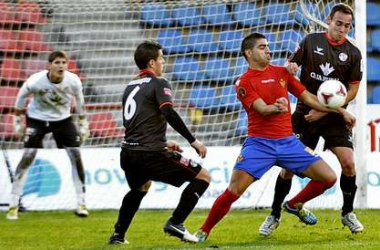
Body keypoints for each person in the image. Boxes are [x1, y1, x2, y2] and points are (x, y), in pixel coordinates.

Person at [193, 32, 356, 243]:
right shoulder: (243, 82)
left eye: (268, 46)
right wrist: (275, 107)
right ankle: (203, 231)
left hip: (288, 142)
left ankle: (293, 204)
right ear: (249, 53)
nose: (268, 50)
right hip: (259, 145)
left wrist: (340, 111)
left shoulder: (282, 73)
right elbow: (262, 109)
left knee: (328, 177)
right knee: (234, 190)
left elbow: (310, 99)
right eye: (262, 47)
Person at [259, 3, 364, 236]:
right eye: (339, 24)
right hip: (305, 113)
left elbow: (353, 89)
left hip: (334, 115)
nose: (342, 30)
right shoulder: (310, 41)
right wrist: (292, 66)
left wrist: (327, 109)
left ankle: (348, 213)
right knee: (287, 168)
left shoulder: (354, 53)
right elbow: (291, 64)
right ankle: (274, 214)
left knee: (348, 162)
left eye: (347, 26)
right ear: (329, 20)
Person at [108, 41, 211, 245]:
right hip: (150, 154)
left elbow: (139, 121)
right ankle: (176, 223)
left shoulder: (129, 86)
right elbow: (168, 111)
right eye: (162, 58)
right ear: (152, 62)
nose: (164, 62)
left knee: (141, 187)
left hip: (128, 153)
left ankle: (118, 236)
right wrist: (193, 141)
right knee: (203, 177)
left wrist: (163, 143)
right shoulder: (159, 82)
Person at [6, 51, 90, 220]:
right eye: (57, 62)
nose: (61, 66)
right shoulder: (35, 81)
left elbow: (80, 101)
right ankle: (13, 204)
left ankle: (81, 203)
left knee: (76, 155)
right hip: (36, 118)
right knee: (28, 155)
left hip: (62, 119)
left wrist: (83, 123)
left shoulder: (73, 81)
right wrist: (17, 121)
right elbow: (21, 97)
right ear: (49, 65)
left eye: (64, 62)